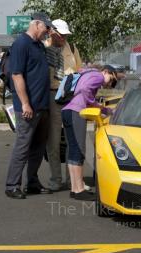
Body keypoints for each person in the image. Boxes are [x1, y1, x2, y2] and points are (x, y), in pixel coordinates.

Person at [5, 12, 55, 199]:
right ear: (36, 24)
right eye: (46, 27)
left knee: (38, 147)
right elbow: (16, 75)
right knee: (23, 146)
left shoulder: (39, 45)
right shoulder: (21, 44)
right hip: (28, 107)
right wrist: (25, 104)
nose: (48, 31)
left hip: (42, 106)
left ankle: (32, 182)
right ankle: (12, 185)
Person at [62, 65, 117, 201]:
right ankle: (79, 189)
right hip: (76, 112)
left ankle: (75, 188)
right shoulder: (98, 76)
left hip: (67, 111)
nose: (109, 84)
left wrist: (106, 111)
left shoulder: (87, 73)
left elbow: (87, 96)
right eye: (111, 79)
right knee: (79, 150)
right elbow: (85, 90)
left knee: (73, 149)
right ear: (105, 71)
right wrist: (92, 101)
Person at [45, 19, 82, 191]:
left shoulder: (72, 48)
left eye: (66, 34)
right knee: (52, 140)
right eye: (61, 34)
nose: (64, 38)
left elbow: (79, 72)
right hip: (52, 96)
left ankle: (71, 180)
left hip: (71, 96)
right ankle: (55, 179)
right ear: (52, 32)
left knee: (71, 140)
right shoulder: (43, 48)